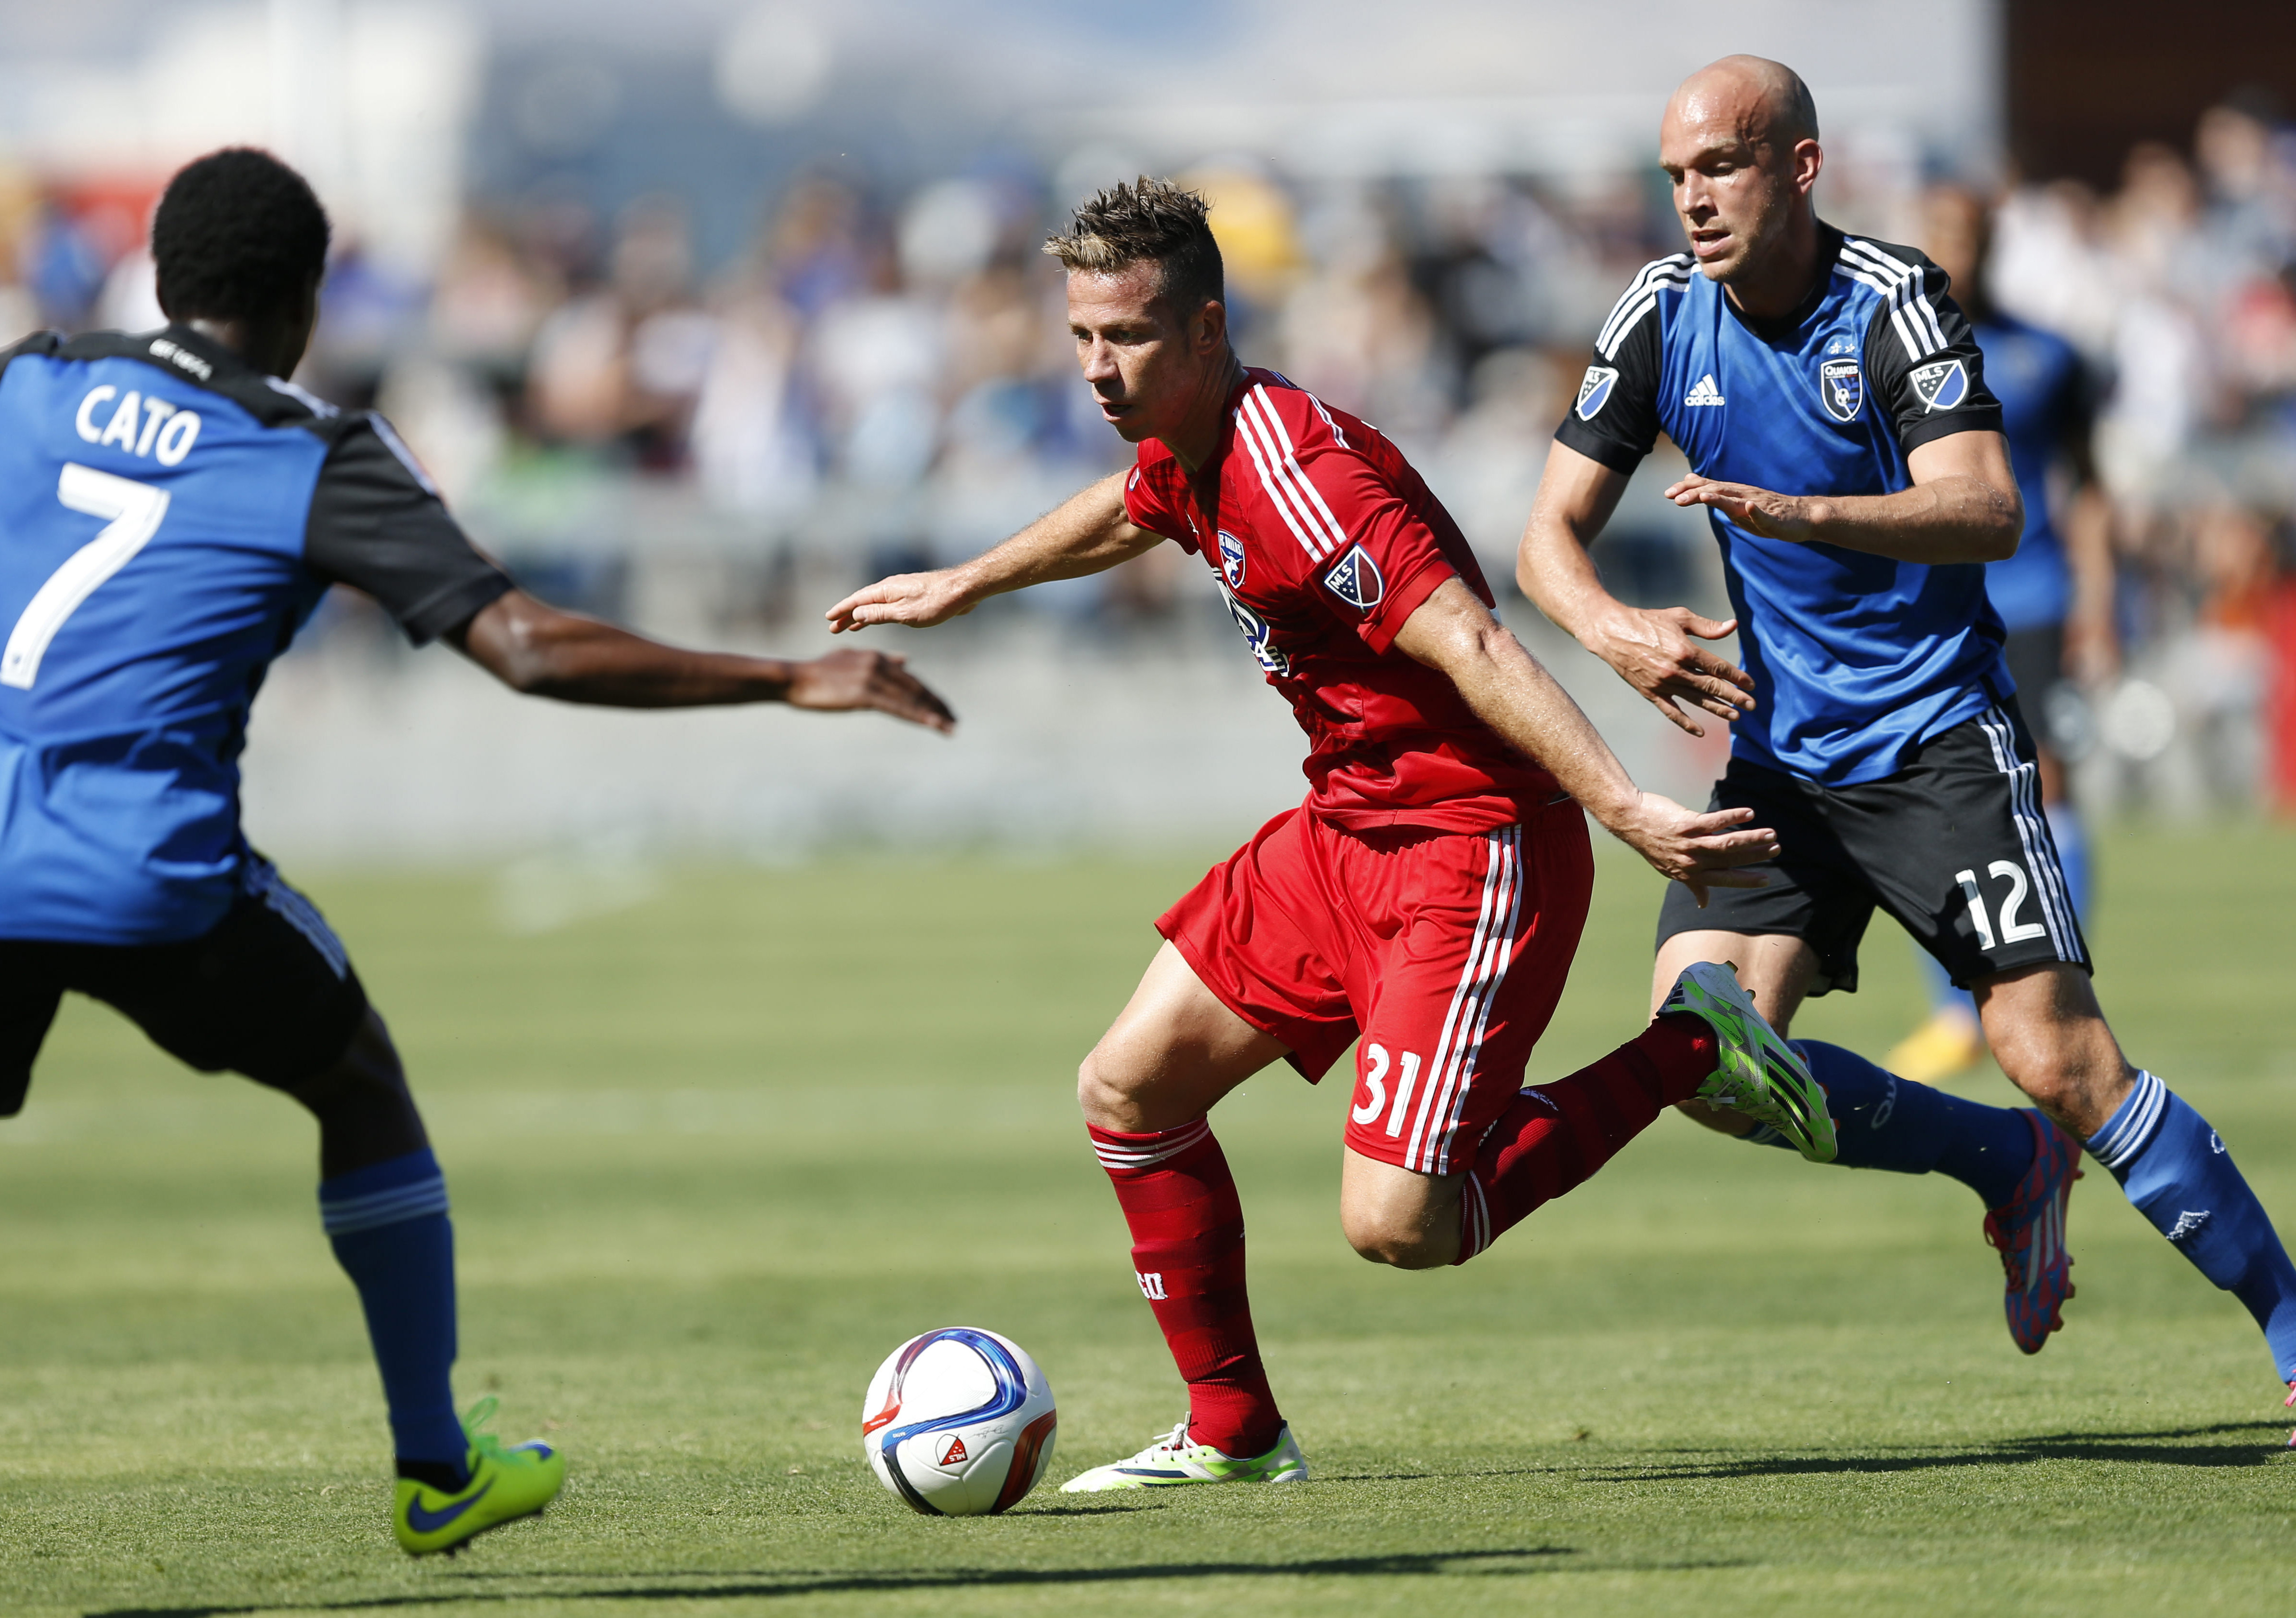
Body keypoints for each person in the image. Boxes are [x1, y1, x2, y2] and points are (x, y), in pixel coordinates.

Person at [0, 148, 954, 1555]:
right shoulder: (312, 452)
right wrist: (780, 675)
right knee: (358, 1078)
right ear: (308, 300)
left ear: (158, 274)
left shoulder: (31, 378)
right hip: (141, 863)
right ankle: (435, 1463)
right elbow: (524, 645)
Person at [827, 177, 1834, 1493]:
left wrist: (1624, 801)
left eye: (1122, 337)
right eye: (1078, 336)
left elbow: (1471, 639)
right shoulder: (1188, 445)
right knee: (1128, 1088)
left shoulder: (1301, 475)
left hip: (1470, 845)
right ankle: (1234, 1430)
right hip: (1342, 828)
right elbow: (1130, 503)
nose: (1093, 367)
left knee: (1401, 1224)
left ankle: (1698, 1037)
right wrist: (971, 578)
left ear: (1201, 329)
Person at [1516, 57, 2296, 1415]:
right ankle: (2002, 1164)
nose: (1690, 200)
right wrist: (1609, 626)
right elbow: (1542, 540)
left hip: (1935, 735)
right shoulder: (1656, 314)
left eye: (1719, 167)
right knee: (1703, 1057)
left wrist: (1805, 513)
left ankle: (2285, 1322)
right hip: (1779, 758)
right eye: (1674, 176)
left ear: (1798, 168)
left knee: (2058, 1058)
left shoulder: (1890, 300)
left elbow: (1985, 506)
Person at [1885, 184, 2117, 1085]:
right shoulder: (1885, 347)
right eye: (1945, 237)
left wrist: (2098, 603)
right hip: (1934, 601)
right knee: (1937, 789)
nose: (1961, 254)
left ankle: (2055, 987)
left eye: (1974, 238)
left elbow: (2089, 486)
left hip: (2035, 594)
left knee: (2047, 781)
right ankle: (1958, 1008)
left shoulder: (2047, 355)